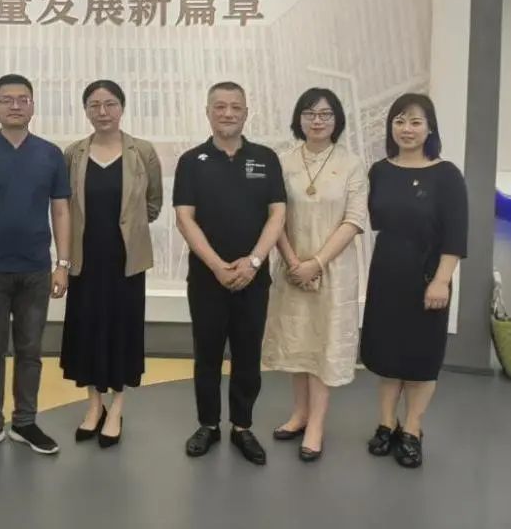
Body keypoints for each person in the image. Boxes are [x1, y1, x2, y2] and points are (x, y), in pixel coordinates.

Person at [0, 74, 72, 458]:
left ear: (33, 105)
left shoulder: (50, 155)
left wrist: (63, 264)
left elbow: (61, 210)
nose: (15, 105)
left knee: (30, 350)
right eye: (7, 99)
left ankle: (25, 422)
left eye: (23, 99)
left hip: (36, 270)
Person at [173, 81, 286, 465]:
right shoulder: (192, 161)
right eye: (219, 106)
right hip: (207, 279)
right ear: (208, 112)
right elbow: (184, 218)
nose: (228, 113)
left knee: (248, 354)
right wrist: (218, 266)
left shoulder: (266, 158)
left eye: (235, 107)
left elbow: (278, 214)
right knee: (206, 354)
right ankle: (208, 424)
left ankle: (242, 426)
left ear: (246, 112)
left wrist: (253, 261)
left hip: (254, 278)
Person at [359, 94, 467, 468]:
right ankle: (386, 424)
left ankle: (412, 429)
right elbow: (371, 220)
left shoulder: (447, 175)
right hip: (387, 274)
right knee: (389, 356)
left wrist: (441, 281)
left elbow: (456, 235)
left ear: (430, 128)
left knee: (421, 358)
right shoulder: (379, 171)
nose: (407, 129)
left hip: (427, 277)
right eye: (400, 121)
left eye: (416, 121)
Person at [261, 88, 368, 462]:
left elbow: (354, 220)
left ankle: (317, 425)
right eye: (309, 113)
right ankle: (300, 414)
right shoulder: (283, 162)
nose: (317, 120)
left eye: (325, 114)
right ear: (299, 119)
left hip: (333, 271)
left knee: (323, 345)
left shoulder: (352, 164)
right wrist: (294, 263)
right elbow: (275, 216)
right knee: (298, 342)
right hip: (291, 268)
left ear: (337, 119)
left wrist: (316, 263)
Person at [60, 80, 163, 448]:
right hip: (85, 261)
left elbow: (153, 204)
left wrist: (129, 230)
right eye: (94, 105)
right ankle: (94, 406)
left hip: (126, 263)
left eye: (110, 104)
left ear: (122, 107)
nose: (102, 112)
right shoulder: (73, 153)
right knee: (86, 331)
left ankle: (116, 408)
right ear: (86, 110)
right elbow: (63, 208)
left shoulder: (142, 152)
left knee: (123, 332)